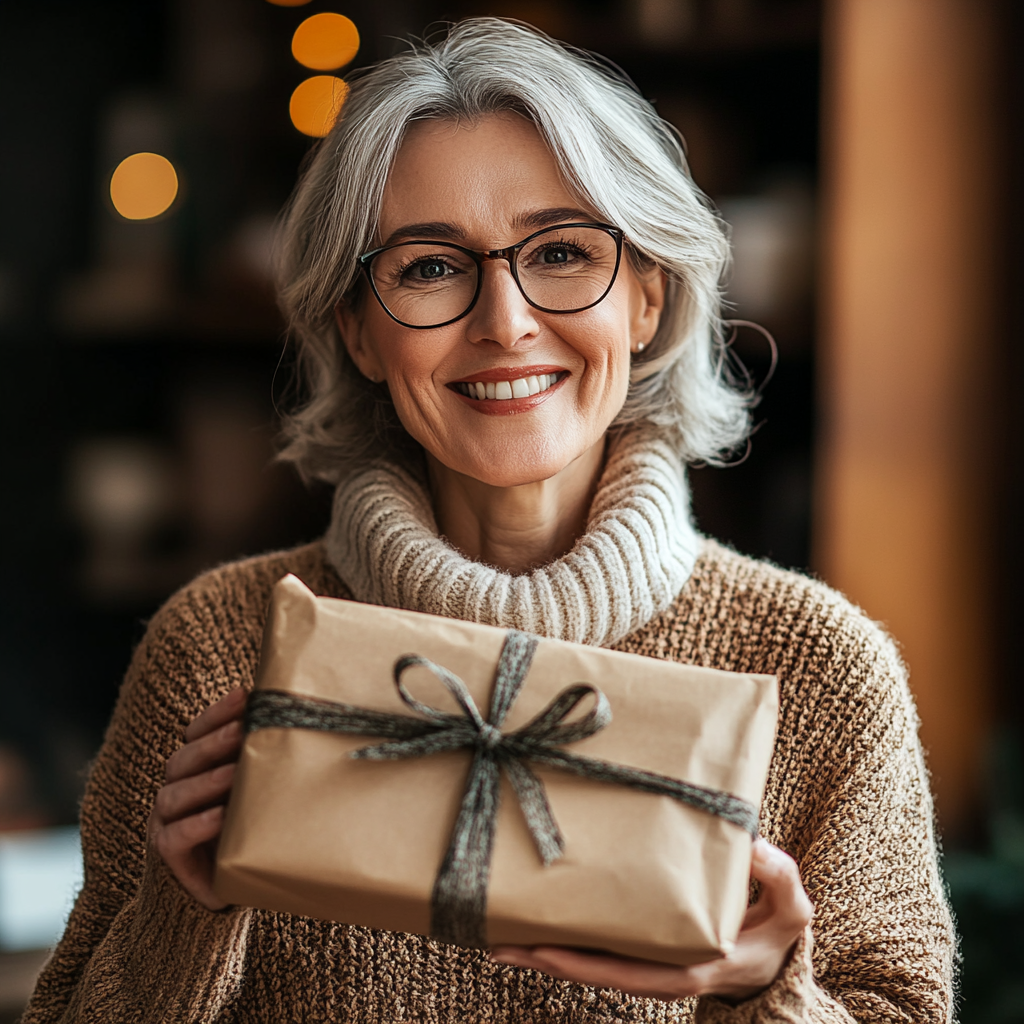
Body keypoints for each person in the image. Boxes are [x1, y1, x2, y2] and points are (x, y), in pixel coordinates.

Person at [23, 18, 953, 1024]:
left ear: (646, 295)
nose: (503, 320)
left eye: (559, 251)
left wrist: (762, 989)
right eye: (429, 266)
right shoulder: (218, 647)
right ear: (357, 328)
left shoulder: (815, 671)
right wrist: (183, 916)